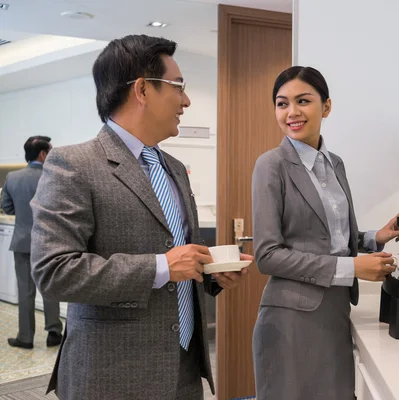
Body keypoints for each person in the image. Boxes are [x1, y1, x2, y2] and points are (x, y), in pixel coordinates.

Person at [30, 34, 250, 400]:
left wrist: (210, 274)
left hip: (183, 370)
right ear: (143, 90)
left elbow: (176, 257)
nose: (187, 100)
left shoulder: (175, 169)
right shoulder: (74, 165)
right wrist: (160, 266)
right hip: (112, 375)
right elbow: (54, 272)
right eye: (179, 87)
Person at [251, 66, 399, 399]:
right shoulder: (271, 165)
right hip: (292, 319)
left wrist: (375, 237)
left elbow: (329, 238)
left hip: (335, 311)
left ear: (326, 106)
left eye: (303, 101)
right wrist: (353, 268)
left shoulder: (334, 163)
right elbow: (267, 255)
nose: (291, 112)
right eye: (282, 104)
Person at [1, 136, 63, 349]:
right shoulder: (54, 175)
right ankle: (54, 332)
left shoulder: (12, 177)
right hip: (49, 243)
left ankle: (25, 337)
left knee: (25, 290)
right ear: (43, 154)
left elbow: (7, 208)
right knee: (50, 288)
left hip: (21, 242)